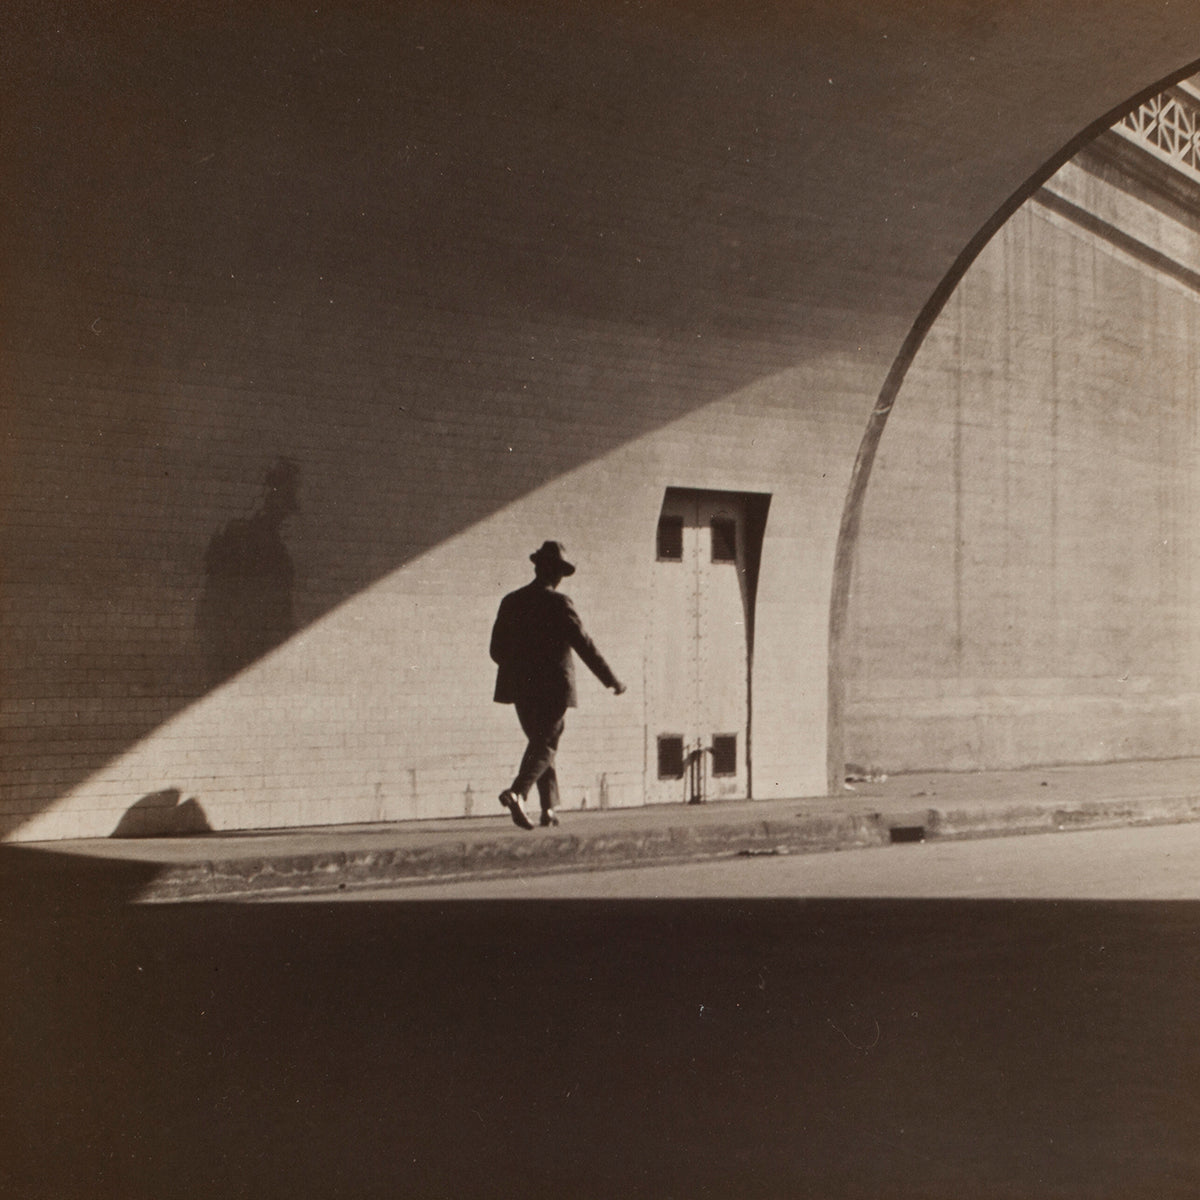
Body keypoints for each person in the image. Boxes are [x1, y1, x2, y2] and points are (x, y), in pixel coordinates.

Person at [490, 540, 626, 830]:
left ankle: (549, 809)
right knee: (546, 744)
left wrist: (522, 664)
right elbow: (584, 645)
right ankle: (517, 792)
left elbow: (496, 651)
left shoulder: (511, 601)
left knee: (541, 744)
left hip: (521, 687)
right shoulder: (559, 603)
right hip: (553, 688)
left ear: (537, 567)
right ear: (557, 574)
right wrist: (611, 679)